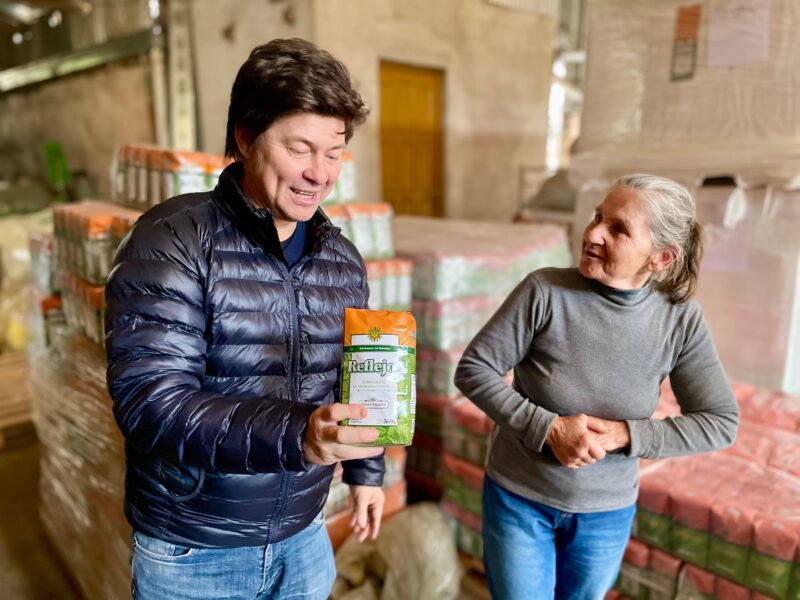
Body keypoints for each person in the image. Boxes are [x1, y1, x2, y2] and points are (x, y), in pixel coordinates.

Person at [105, 38, 386, 600]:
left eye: (333, 153)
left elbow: (353, 380)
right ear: (245, 137)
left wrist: (365, 473)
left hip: (304, 536)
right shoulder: (174, 239)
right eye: (300, 148)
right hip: (195, 549)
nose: (319, 174)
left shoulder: (342, 260)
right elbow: (152, 403)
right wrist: (299, 434)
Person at [455, 174, 739, 600]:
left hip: (605, 514)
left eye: (618, 228)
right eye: (597, 217)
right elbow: (474, 369)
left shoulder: (679, 321)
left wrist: (629, 434)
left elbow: (719, 422)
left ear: (661, 258)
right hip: (519, 499)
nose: (593, 233)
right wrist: (548, 428)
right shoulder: (545, 291)